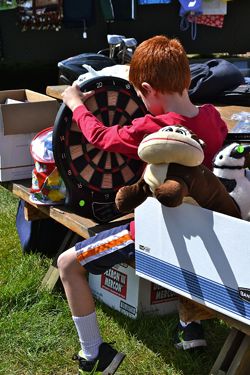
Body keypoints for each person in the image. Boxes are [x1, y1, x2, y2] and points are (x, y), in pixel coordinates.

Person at [58, 35, 228, 374]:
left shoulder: (154, 129)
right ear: (188, 79)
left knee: (67, 265)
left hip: (155, 236)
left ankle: (94, 355)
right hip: (206, 234)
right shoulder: (212, 118)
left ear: (148, 89)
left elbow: (100, 137)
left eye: (139, 94)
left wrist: (75, 102)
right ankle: (191, 327)